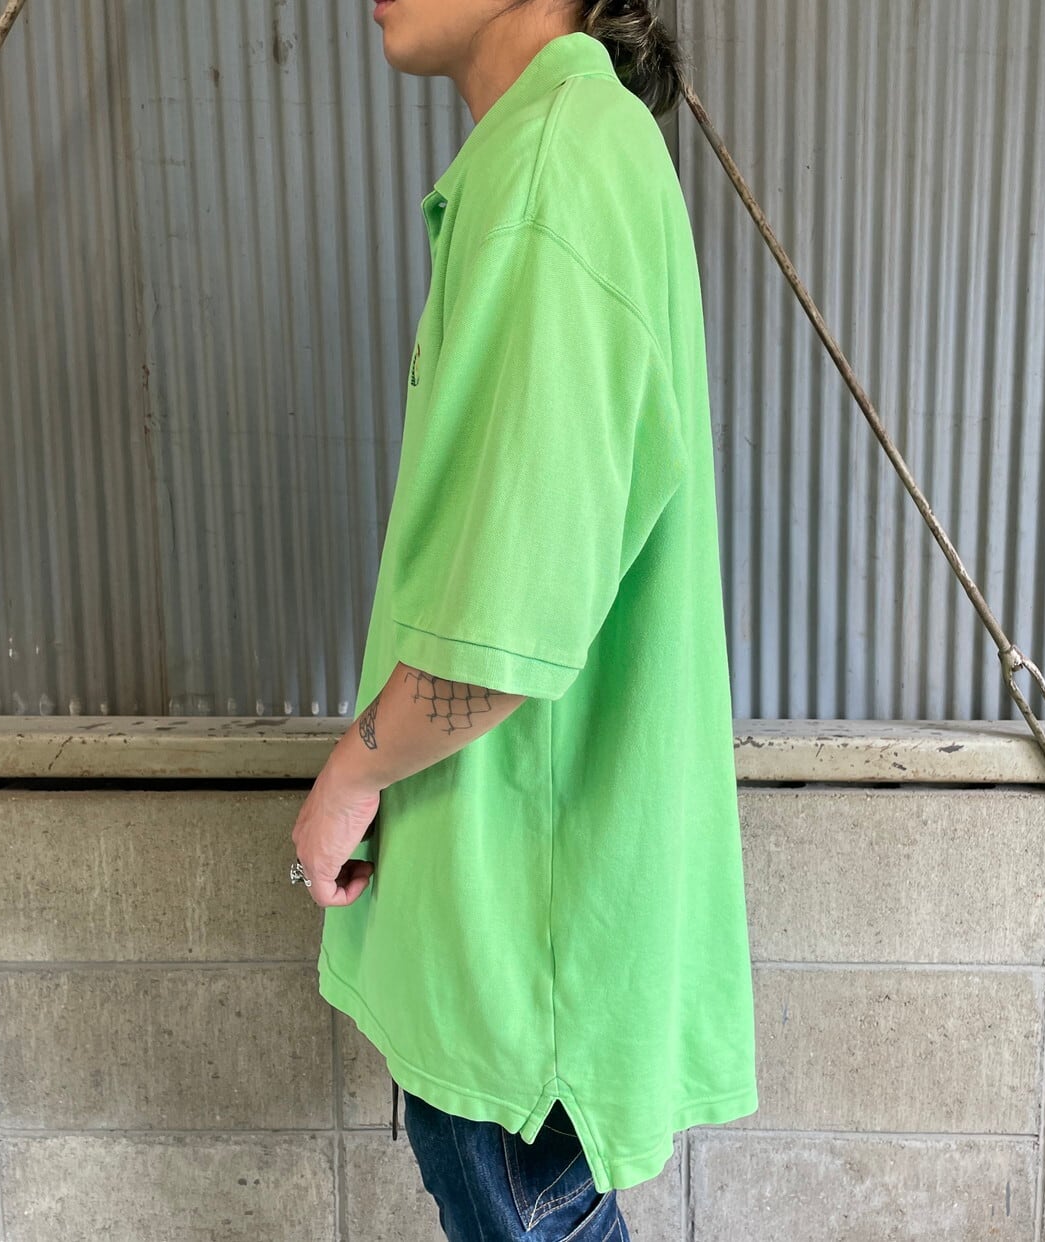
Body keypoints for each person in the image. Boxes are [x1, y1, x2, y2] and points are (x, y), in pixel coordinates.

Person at [289, 1, 759, 1237]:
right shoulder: (559, 149)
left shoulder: (557, 165)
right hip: (516, 932)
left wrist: (346, 780)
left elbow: (509, 634)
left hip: (518, 954)